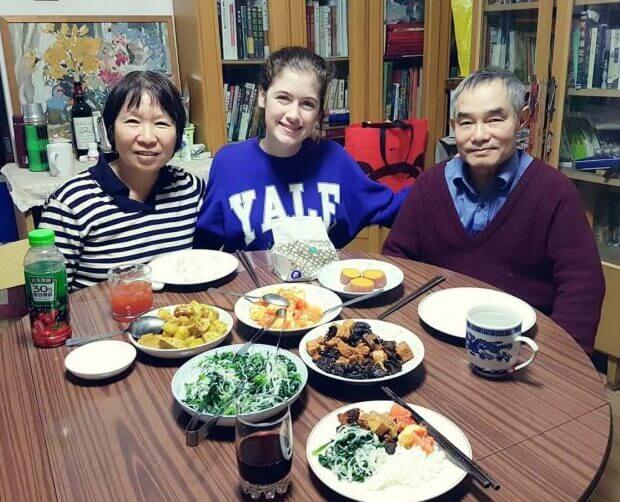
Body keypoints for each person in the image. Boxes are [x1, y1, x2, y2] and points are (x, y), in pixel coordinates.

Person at [383, 69, 605, 353]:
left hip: (520, 349)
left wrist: (558, 362)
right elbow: (397, 261)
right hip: (435, 339)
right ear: (454, 125)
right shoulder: (429, 185)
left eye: (495, 119)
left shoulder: (554, 193)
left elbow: (581, 289)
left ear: (523, 119)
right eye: (466, 123)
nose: (479, 136)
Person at [194, 46, 407, 251]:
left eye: (307, 104)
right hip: (250, 287)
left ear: (318, 112)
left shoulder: (333, 159)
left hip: (317, 287)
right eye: (283, 98)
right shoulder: (229, 163)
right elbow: (204, 249)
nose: (293, 115)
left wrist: (437, 179)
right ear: (262, 96)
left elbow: (391, 208)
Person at [39, 71, 206, 291]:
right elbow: (51, 295)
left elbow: (208, 264)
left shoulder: (191, 190)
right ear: (110, 130)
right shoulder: (71, 202)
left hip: (176, 320)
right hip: (100, 321)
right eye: (132, 121)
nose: (147, 138)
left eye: (162, 124)